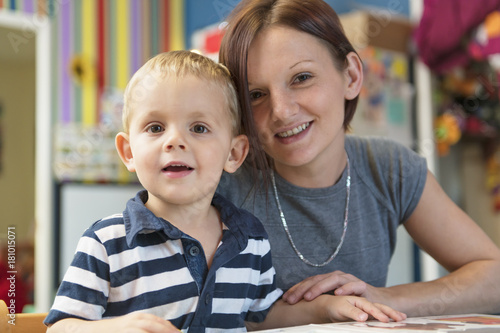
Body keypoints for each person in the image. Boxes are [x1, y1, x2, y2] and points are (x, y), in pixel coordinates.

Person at [44, 50, 405, 333]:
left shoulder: (250, 238)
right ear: (128, 153)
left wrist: (326, 308)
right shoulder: (105, 242)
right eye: (155, 127)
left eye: (199, 128)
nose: (175, 141)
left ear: (234, 154)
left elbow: (263, 315)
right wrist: (113, 329)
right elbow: (61, 326)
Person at [217, 0, 500, 318]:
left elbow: (494, 279)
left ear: (351, 75)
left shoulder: (389, 167)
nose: (281, 111)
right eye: (256, 94)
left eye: (301, 78)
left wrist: (384, 298)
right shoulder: (219, 183)